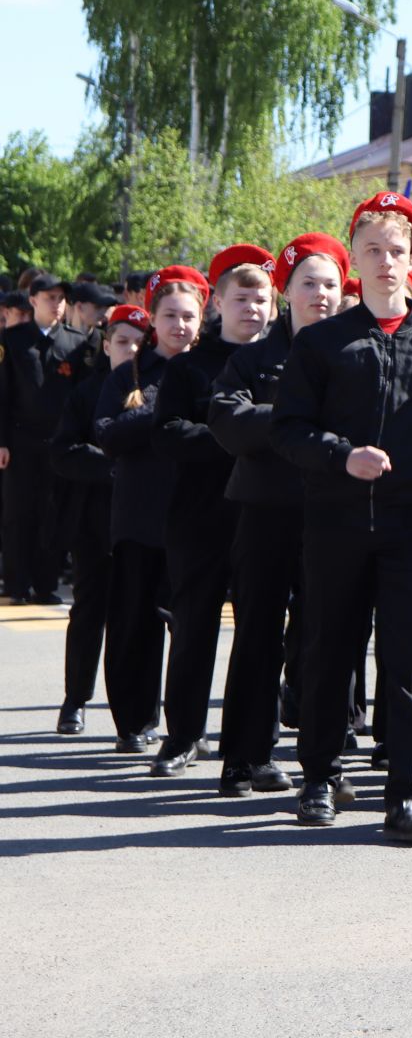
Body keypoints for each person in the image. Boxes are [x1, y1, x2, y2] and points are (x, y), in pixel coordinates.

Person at [272, 191, 412, 842]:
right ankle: (319, 777)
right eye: (372, 251)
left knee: (409, 658)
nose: (386, 262)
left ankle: (405, 794)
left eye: (397, 251)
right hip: (335, 523)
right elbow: (288, 429)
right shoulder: (323, 343)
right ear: (355, 259)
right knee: (328, 652)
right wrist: (340, 456)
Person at [209, 233, 348, 798]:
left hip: (333, 513)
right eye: (308, 284)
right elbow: (227, 421)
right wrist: (293, 423)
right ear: (286, 291)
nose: (320, 295)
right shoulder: (254, 358)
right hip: (266, 511)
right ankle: (245, 758)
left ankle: (323, 762)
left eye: (331, 284)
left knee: (323, 638)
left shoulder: (355, 351)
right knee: (258, 636)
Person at [147, 245, 274, 776]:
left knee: (261, 633)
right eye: (240, 298)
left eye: (261, 298)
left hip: (263, 514)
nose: (252, 308)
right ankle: (181, 737)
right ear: (217, 301)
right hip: (199, 516)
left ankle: (253, 749)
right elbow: (168, 433)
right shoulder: (190, 368)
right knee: (194, 626)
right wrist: (235, 433)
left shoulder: (282, 362)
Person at [96, 267, 207, 752]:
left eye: (188, 316)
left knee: (190, 627)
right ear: (152, 322)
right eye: (170, 316)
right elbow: (106, 433)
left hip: (196, 516)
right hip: (139, 517)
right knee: (134, 624)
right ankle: (135, 722)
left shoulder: (211, 370)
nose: (180, 325)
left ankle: (187, 725)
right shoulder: (130, 376)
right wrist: (156, 409)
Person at [49, 304, 148, 734]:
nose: (129, 350)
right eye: (121, 341)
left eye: (138, 343)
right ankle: (75, 699)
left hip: (145, 520)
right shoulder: (86, 393)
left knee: (141, 614)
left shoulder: (159, 386)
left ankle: (141, 711)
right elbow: (63, 451)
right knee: (89, 609)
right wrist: (112, 465)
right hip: (95, 520)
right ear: (105, 345)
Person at [1, 273, 93, 605]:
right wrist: (2, 441)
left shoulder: (75, 342)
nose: (57, 304)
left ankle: (45, 584)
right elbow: (3, 394)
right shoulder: (13, 340)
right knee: (18, 513)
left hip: (59, 441)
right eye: (50, 297)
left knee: (53, 514)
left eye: (61, 298)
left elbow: (83, 397)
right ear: (34, 300)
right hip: (21, 441)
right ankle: (16, 584)